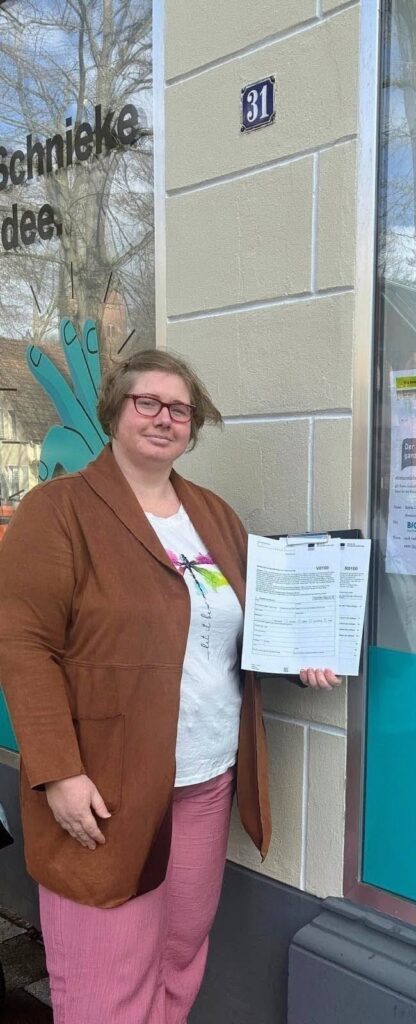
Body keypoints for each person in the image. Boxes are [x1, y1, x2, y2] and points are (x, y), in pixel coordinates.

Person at [0, 349, 339, 1024]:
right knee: (104, 983)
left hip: (205, 779)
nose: (163, 418)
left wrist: (302, 651)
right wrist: (59, 773)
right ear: (115, 411)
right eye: (146, 402)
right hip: (104, 787)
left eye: (179, 408)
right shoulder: (58, 510)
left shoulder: (211, 515)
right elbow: (22, 644)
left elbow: (241, 625)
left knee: (180, 955)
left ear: (195, 424)